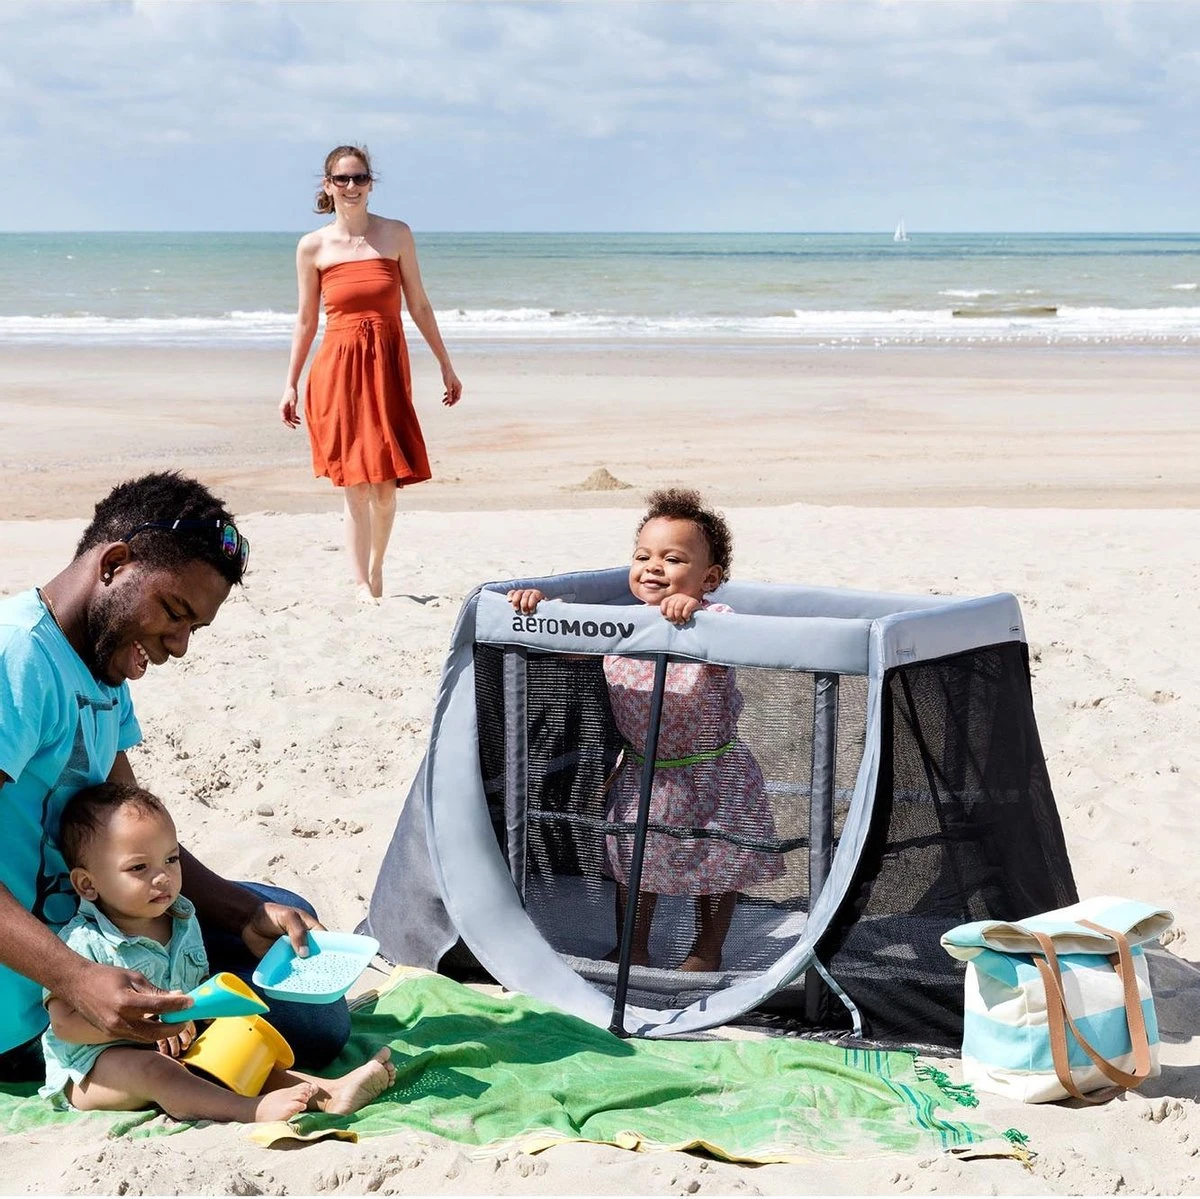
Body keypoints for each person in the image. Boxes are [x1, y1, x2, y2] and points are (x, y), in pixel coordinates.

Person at [0, 471, 349, 1085]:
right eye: (174, 612)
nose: (180, 646)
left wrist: (241, 911)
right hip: (42, 995)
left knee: (287, 918)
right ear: (114, 564)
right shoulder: (19, 656)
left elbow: (131, 830)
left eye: (194, 628)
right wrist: (76, 979)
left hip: (107, 926)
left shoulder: (101, 666)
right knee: (313, 1026)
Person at [508, 488, 783, 972]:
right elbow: (565, 643)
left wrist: (692, 611)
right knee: (634, 861)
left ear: (709, 578)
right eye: (643, 556)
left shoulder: (713, 619)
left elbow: (734, 639)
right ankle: (633, 946)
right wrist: (540, 608)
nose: (654, 567)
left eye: (673, 559)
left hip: (712, 771)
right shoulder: (618, 624)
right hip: (643, 772)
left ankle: (706, 950)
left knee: (716, 862)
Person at [40, 783, 394, 1121]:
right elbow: (65, 1025)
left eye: (171, 859)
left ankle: (327, 1094)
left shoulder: (182, 920)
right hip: (95, 1067)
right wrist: (140, 1026)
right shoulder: (84, 942)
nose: (163, 878)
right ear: (87, 884)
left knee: (242, 1049)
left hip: (177, 1043)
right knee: (158, 1071)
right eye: (138, 868)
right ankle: (246, 1110)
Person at [279, 143, 463, 605]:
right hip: (338, 371)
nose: (351, 186)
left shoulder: (396, 235)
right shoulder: (313, 247)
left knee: (384, 489)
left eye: (359, 177)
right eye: (342, 179)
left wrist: (445, 363)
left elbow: (419, 304)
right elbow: (306, 320)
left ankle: (377, 567)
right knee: (356, 485)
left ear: (370, 183)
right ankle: (360, 583)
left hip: (386, 369)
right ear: (328, 186)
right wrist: (290, 383)